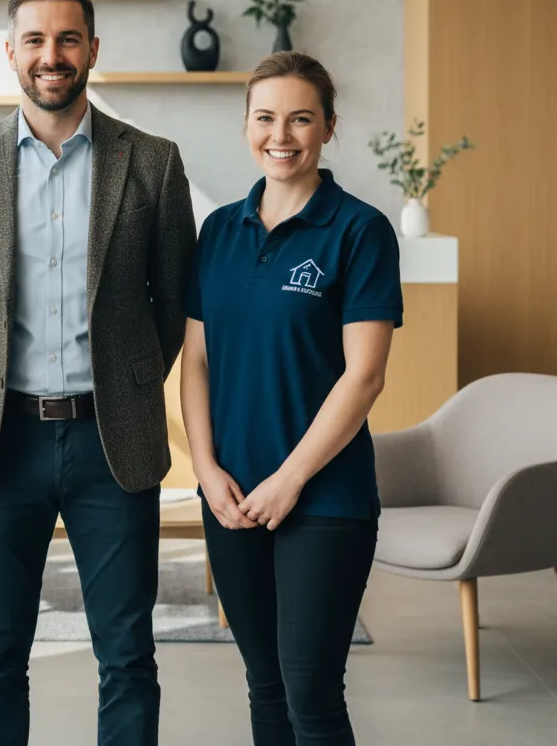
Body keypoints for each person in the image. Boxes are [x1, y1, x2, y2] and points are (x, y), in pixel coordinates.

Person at [0, 0, 196, 746]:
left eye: (68, 39)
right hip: (0, 441)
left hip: (116, 440)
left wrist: (130, 375)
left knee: (128, 653)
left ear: (93, 49)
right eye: (35, 40)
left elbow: (173, 302)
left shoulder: (152, 162)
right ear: (10, 52)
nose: (52, 55)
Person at [180, 50, 402, 746]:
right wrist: (206, 469)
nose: (282, 134)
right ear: (246, 124)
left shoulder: (358, 230)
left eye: (301, 118)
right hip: (232, 496)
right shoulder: (218, 231)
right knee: (265, 684)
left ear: (329, 127)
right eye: (266, 117)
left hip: (324, 498)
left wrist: (290, 479)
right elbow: (196, 360)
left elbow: (364, 376)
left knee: (310, 689)